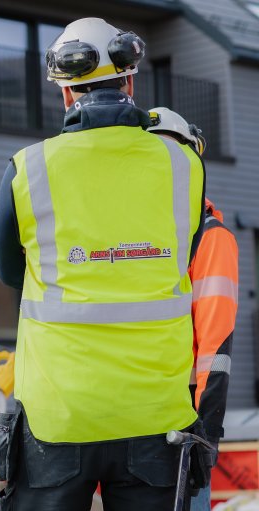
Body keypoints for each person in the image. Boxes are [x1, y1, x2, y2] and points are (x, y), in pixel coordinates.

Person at [0, 18, 206, 510]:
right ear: (130, 82)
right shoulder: (183, 164)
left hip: (59, 414)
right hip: (155, 412)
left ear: (65, 95)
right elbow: (181, 257)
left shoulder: (28, 168)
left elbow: (9, 273)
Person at [148, 107, 239, 511]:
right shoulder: (206, 237)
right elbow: (215, 347)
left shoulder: (205, 238)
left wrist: (204, 431)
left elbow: (213, 349)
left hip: (163, 417)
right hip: (167, 418)